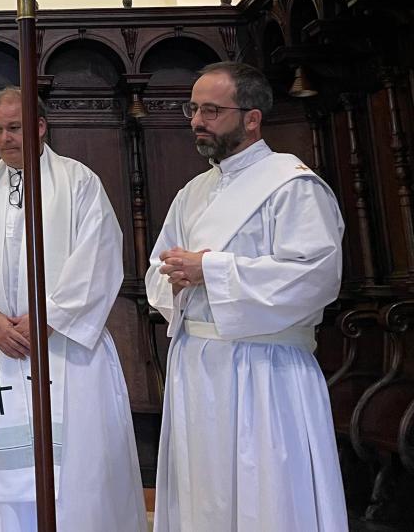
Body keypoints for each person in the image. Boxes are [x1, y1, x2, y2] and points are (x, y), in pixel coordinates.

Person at [146, 61, 347, 531]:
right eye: (192, 109)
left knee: (267, 494)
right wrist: (174, 278)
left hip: (263, 371)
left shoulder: (292, 185)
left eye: (211, 110)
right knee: (206, 494)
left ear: (252, 118)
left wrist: (210, 269)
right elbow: (160, 266)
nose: (197, 121)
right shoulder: (193, 192)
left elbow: (315, 277)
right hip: (198, 368)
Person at [0, 87, 146, 532]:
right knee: (7, 482)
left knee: (77, 480)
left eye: (14, 128)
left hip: (66, 352)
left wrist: (48, 318)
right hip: (2, 349)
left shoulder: (78, 183)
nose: (5, 138)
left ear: (39, 126)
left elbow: (99, 257)